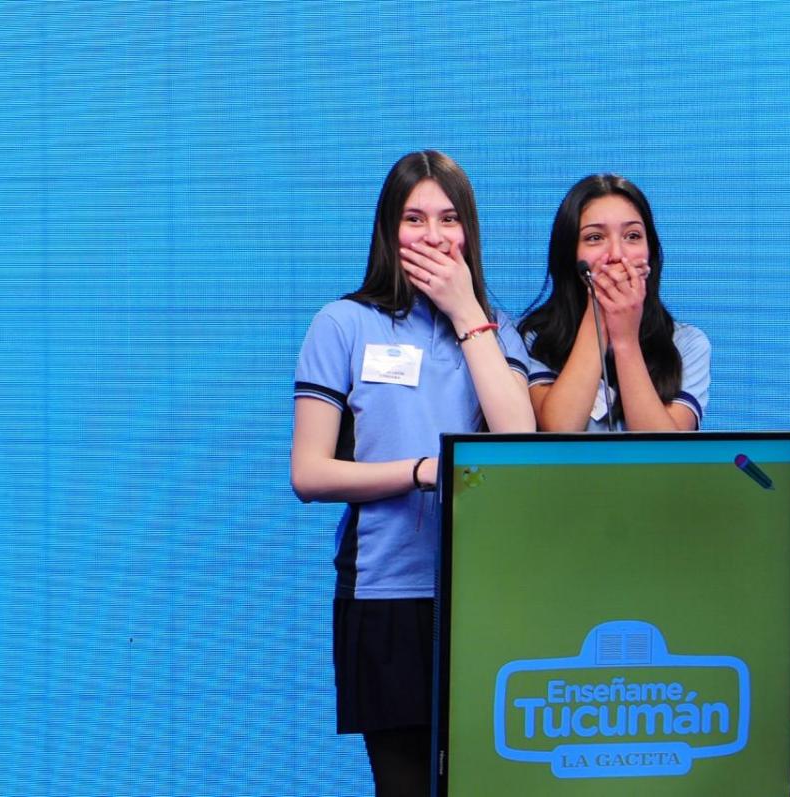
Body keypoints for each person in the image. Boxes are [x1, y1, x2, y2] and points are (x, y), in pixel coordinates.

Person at [290, 151, 534, 795]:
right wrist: (422, 470)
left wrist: (467, 314)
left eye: (449, 219)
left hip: (482, 596)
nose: (433, 235)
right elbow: (309, 473)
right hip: (385, 592)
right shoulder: (343, 324)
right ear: (388, 230)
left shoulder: (496, 331)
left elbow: (518, 439)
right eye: (414, 218)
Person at [520, 173, 711, 432]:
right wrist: (598, 314)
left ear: (650, 252)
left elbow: (663, 450)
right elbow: (561, 430)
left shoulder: (688, 344)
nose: (617, 255)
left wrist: (625, 341)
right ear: (569, 253)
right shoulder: (534, 338)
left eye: (632, 236)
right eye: (594, 238)